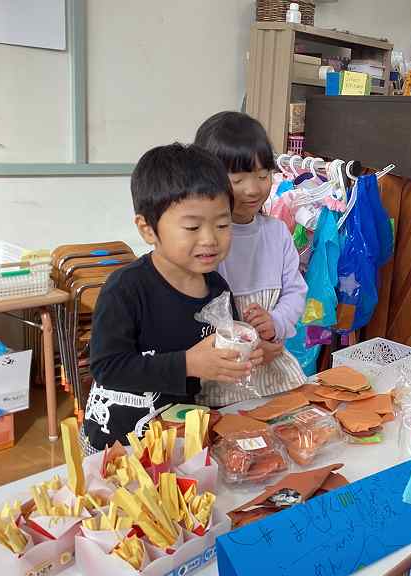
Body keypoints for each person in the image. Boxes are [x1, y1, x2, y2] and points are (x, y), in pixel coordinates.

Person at [81, 142, 262, 453]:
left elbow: (217, 353)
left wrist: (243, 355)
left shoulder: (218, 290)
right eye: (192, 227)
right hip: (118, 443)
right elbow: (107, 367)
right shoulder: (126, 289)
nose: (210, 239)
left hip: (178, 436)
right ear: (148, 229)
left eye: (222, 224)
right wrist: (187, 364)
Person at [193, 112, 307, 406]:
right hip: (220, 376)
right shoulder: (204, 243)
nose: (254, 189)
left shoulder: (277, 232)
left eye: (262, 175)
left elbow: (295, 291)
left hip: (272, 370)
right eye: (238, 178)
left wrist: (276, 323)